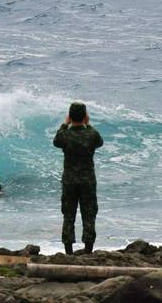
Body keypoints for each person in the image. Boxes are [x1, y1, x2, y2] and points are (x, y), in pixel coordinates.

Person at [52, 102, 103, 255]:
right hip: (87, 180)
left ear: (70, 116)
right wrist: (88, 125)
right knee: (89, 213)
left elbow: (56, 141)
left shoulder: (64, 135)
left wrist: (64, 124)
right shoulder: (91, 134)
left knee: (68, 214)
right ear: (85, 116)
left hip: (69, 180)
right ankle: (88, 249)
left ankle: (68, 251)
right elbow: (100, 142)